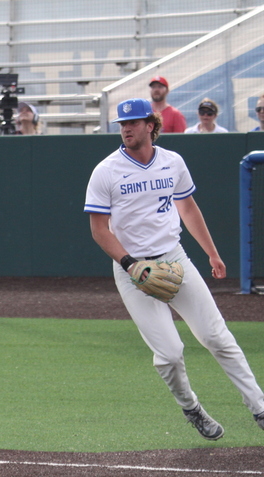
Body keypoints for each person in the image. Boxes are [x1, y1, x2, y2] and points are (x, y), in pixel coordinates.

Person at [84, 98, 264, 441]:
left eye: (134, 122)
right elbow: (99, 229)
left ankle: (259, 406)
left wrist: (212, 254)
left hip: (173, 258)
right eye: (122, 123)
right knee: (169, 353)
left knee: (216, 336)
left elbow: (188, 208)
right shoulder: (105, 171)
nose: (126, 128)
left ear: (151, 125)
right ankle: (191, 407)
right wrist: (130, 264)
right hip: (132, 270)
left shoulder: (172, 162)